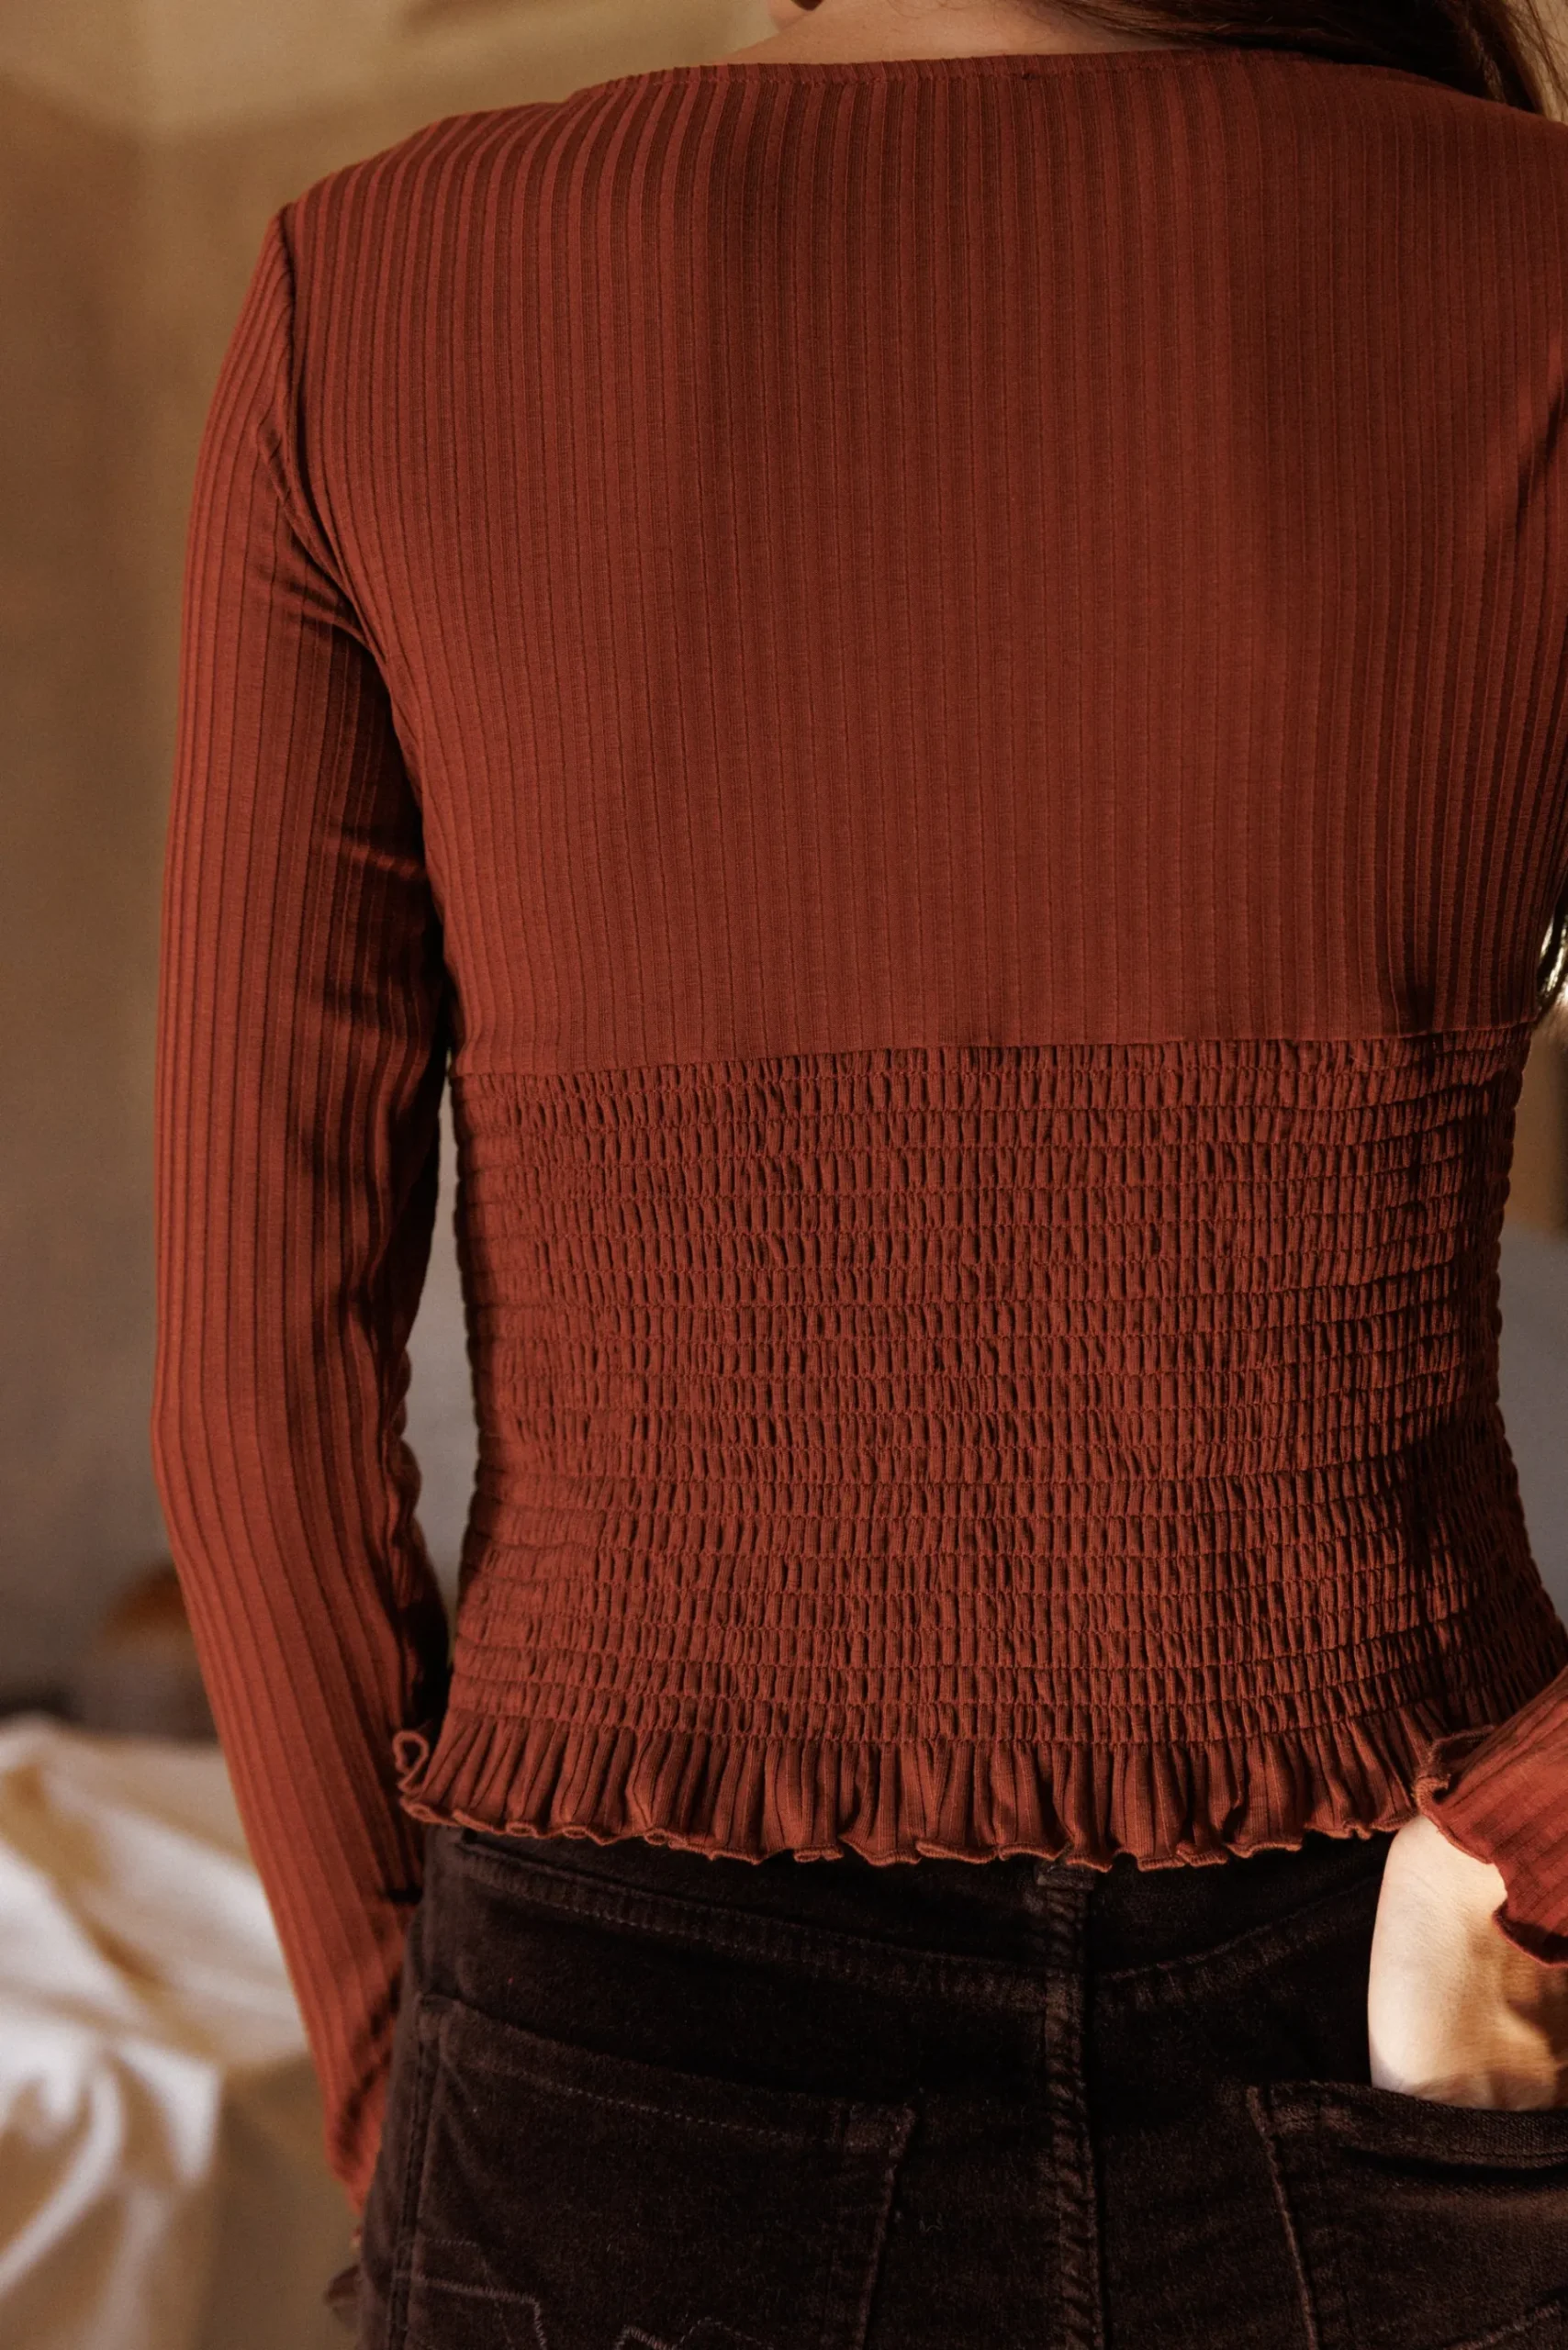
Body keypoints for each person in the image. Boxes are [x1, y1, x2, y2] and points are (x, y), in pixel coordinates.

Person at [151, 0, 1568, 2340]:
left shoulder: (376, 287)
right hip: (1389, 1986)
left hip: (616, 2032)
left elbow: (250, 1381)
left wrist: (423, 2077)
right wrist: (1527, 1849)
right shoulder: (1518, 258)